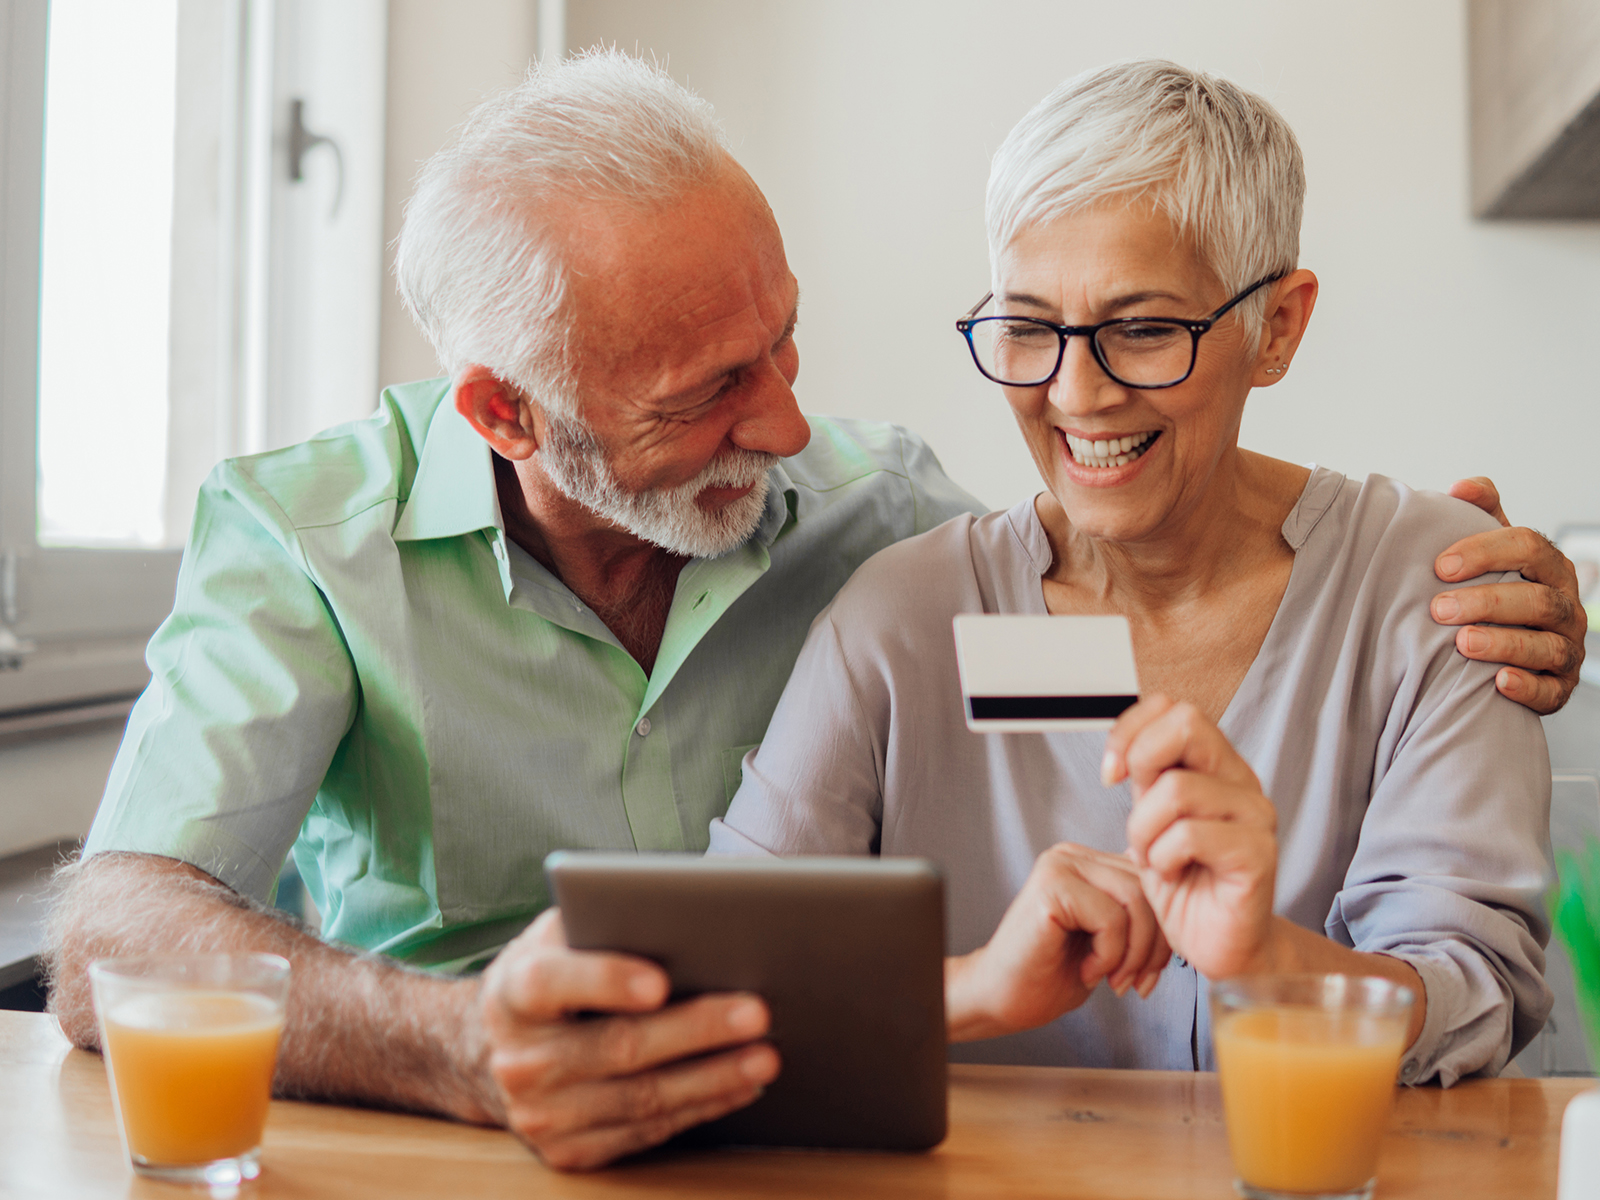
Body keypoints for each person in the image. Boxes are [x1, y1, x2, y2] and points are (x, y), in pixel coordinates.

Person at [44, 52, 1581, 1170]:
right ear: (510, 414)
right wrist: (463, 1051)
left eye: (786, 343)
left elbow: (1101, 591)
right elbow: (119, 927)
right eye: (715, 389)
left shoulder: (876, 528)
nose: (790, 428)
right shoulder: (308, 540)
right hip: (445, 1136)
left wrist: (1450, 593)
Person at [711, 60, 1557, 1088]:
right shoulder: (904, 621)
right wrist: (977, 986)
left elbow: (1475, 994)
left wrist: (1263, 959)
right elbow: (728, 980)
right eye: (1028, 326)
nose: (1077, 392)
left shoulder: (1436, 595)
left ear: (1276, 327)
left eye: (1144, 329)